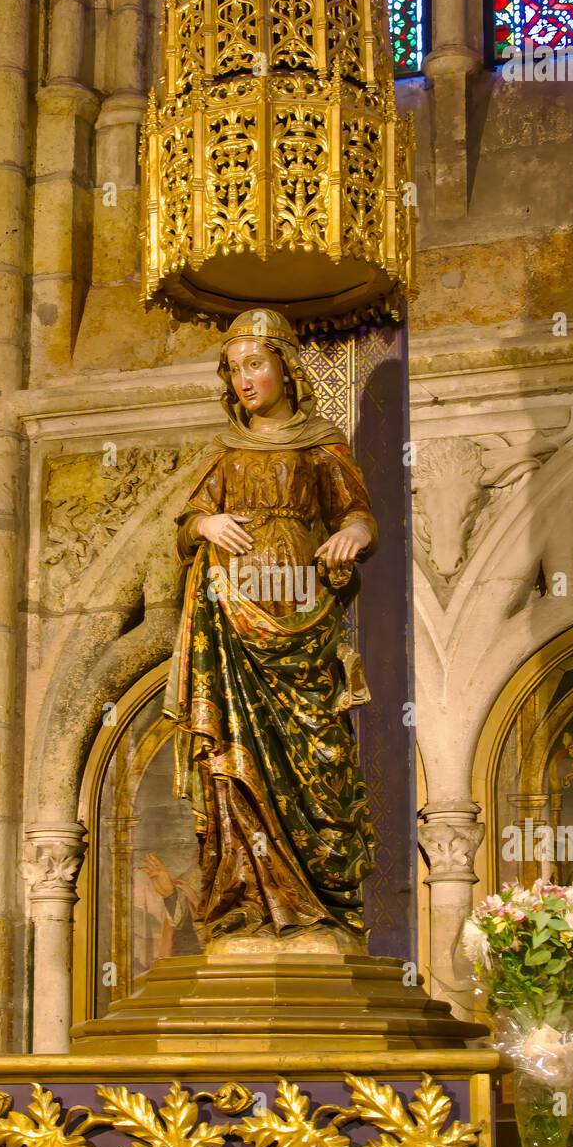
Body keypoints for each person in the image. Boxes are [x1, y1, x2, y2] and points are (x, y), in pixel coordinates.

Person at [163, 308, 377, 942]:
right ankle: (248, 896)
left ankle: (315, 901)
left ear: (286, 365)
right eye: (233, 371)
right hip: (232, 619)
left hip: (300, 616)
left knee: (315, 754)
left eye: (255, 365)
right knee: (234, 756)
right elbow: (187, 521)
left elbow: (358, 513)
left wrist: (352, 535)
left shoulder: (321, 444)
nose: (244, 381)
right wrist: (204, 526)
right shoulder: (224, 453)